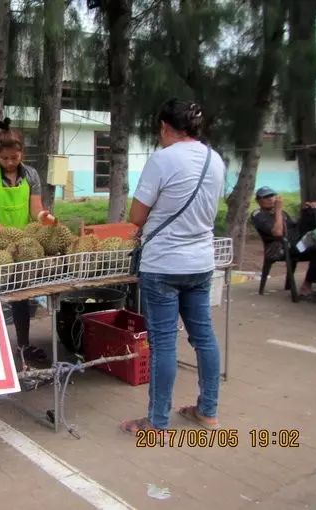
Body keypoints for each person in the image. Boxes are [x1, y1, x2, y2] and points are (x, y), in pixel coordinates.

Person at [120, 98, 226, 434]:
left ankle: (157, 421)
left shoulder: (162, 160)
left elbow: (137, 217)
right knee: (204, 337)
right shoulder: (215, 159)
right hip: (201, 262)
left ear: (165, 127)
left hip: (163, 264)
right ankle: (207, 412)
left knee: (164, 342)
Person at [0, 118, 54, 361]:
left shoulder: (31, 175)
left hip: (21, 247)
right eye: (5, 159)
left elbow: (35, 207)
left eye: (14, 158)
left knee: (21, 298)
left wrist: (44, 216)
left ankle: (23, 346)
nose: (10, 163)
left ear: (21, 153)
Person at [250, 186, 316, 297]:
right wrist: (278, 211)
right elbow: (278, 233)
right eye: (266, 197)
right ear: (258, 200)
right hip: (278, 247)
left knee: (314, 214)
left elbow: (293, 228)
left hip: (293, 242)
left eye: (272, 195)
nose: (271, 199)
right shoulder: (258, 214)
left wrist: (306, 213)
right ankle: (307, 285)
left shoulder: (282, 213)